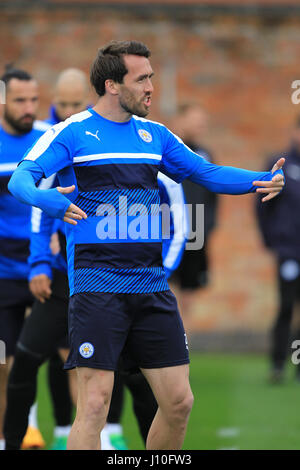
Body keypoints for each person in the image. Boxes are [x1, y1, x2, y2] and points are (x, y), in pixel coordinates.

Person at [8, 40, 285, 450]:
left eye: (151, 77)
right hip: (96, 287)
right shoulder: (71, 133)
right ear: (112, 85)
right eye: (142, 79)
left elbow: (205, 172)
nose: (152, 86)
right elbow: (22, 179)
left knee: (178, 402)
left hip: (151, 288)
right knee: (96, 405)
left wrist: (258, 179)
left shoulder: (155, 135)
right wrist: (46, 198)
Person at [0, 66, 49, 450]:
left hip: (42, 265)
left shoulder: (48, 141)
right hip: (2, 272)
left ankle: (74, 435)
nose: (29, 107)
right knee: (5, 360)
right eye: (20, 100)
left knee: (69, 355)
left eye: (34, 99)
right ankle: (9, 438)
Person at [256, 116, 300, 384]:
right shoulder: (282, 164)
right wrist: (271, 239)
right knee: (286, 307)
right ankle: (277, 364)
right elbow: (263, 206)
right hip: (289, 251)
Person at [170, 103, 218, 320]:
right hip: (167, 230)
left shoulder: (206, 155)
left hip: (196, 230)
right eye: (196, 121)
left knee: (188, 291)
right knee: (165, 286)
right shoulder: (168, 152)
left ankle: (182, 345)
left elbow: (213, 195)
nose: (201, 126)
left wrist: (207, 226)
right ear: (181, 121)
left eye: (203, 123)